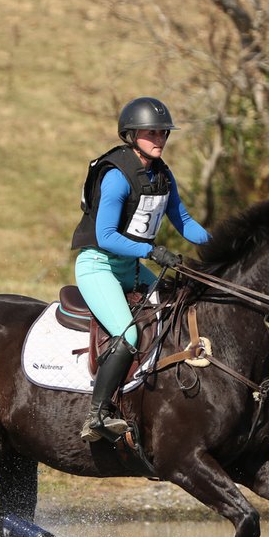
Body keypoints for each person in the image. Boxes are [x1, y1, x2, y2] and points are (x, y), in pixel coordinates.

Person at [70, 97, 210, 442]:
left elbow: (185, 222)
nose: (160, 138)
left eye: (164, 133)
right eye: (152, 132)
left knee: (177, 311)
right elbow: (105, 237)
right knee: (128, 334)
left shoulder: (162, 174)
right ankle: (97, 415)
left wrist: (225, 246)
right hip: (98, 266)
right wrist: (154, 251)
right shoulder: (116, 176)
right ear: (131, 135)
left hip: (131, 267)